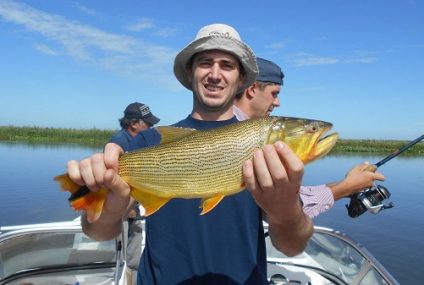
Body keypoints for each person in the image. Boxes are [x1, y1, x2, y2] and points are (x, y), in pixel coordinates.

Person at [66, 23, 313, 284]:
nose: (215, 74)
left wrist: (285, 211)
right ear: (190, 71)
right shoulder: (151, 140)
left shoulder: (268, 148)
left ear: (241, 79)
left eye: (227, 65)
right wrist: (111, 210)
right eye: (205, 63)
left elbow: (292, 247)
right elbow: (98, 232)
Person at [234, 57, 385, 218]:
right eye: (274, 93)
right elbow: (283, 211)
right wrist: (345, 188)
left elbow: (287, 195)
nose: (277, 103)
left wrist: (347, 184)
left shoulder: (244, 131)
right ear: (252, 89)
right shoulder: (242, 139)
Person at [109, 102, 160, 284]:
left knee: (135, 254)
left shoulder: (142, 141)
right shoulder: (120, 142)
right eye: (147, 123)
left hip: (136, 207)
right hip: (123, 208)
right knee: (122, 251)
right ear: (133, 124)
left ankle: (134, 276)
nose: (151, 127)